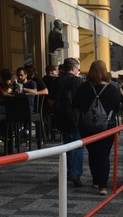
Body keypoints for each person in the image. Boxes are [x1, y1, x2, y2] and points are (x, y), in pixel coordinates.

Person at [72, 60, 120, 196]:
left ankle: (95, 179)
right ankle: (102, 186)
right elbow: (117, 108)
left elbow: (75, 104)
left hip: (87, 126)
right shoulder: (112, 89)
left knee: (92, 153)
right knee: (104, 155)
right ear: (105, 71)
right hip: (107, 126)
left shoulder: (84, 87)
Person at [49, 57, 83, 187]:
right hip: (75, 117)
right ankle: (75, 174)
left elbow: (51, 101)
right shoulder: (78, 81)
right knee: (78, 144)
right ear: (74, 68)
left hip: (61, 117)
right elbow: (82, 102)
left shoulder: (56, 81)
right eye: (78, 69)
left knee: (67, 144)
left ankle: (67, 172)